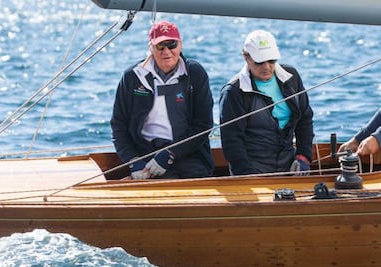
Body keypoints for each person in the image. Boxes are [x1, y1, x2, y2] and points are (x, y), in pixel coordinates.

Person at [110, 20, 214, 179]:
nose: (167, 51)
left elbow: (203, 124)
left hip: (188, 154)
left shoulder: (195, 73)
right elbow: (119, 125)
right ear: (150, 47)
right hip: (145, 156)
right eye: (160, 46)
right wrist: (132, 160)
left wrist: (170, 154)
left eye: (171, 44)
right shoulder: (132, 77)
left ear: (180, 45)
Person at [219, 30, 314, 175]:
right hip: (252, 169)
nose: (267, 67)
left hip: (290, 166)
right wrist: (248, 176)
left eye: (271, 60)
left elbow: (305, 119)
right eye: (259, 61)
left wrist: (303, 156)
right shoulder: (233, 92)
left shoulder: (292, 78)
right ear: (246, 57)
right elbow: (232, 141)